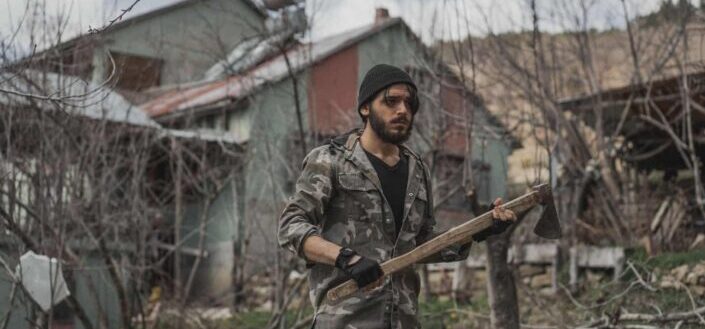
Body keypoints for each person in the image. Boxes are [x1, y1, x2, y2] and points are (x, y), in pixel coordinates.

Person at [278, 64, 517, 329]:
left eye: (409, 103)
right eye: (391, 101)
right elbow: (291, 226)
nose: (403, 110)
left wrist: (480, 230)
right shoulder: (330, 160)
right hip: (344, 321)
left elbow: (423, 242)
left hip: (403, 320)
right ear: (365, 108)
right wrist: (345, 258)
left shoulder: (418, 169)